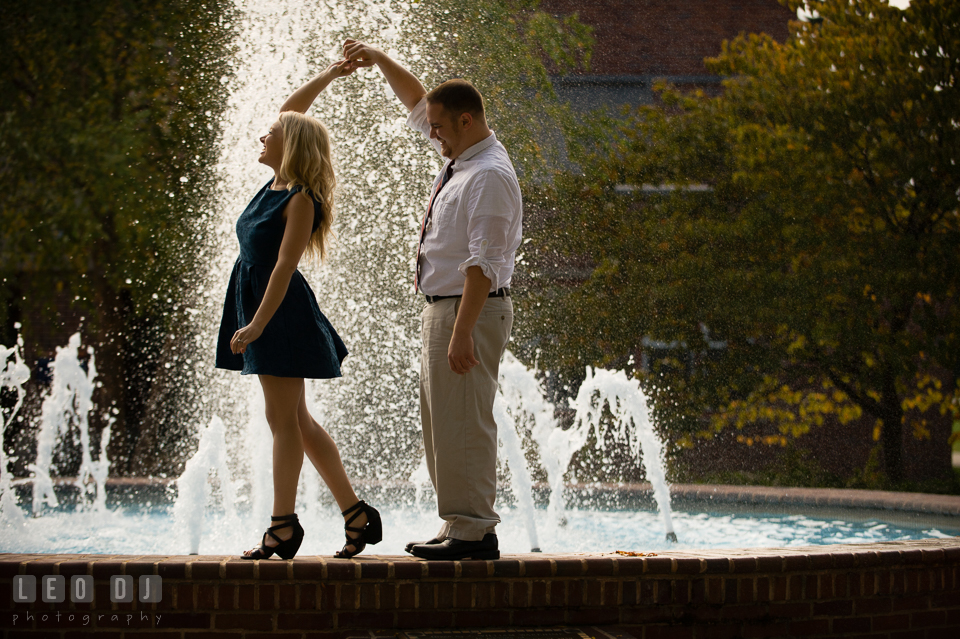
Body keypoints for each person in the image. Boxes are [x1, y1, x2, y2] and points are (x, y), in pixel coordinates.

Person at [342, 40, 523, 560]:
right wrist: (377, 58)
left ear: (466, 121)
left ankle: (474, 531)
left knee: (465, 418)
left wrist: (463, 330)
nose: (431, 133)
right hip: (445, 307)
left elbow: (483, 265)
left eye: (440, 127)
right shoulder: (465, 156)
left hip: (469, 308)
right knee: (446, 419)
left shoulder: (487, 175)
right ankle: (458, 523)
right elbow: (418, 101)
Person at [215, 59, 381, 561]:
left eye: (270, 136)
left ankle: (282, 526)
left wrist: (256, 325)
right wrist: (331, 74)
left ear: (290, 145)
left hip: (279, 312)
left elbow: (285, 268)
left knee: (283, 422)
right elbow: (292, 112)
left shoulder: (301, 199)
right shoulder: (275, 185)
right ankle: (356, 514)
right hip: (260, 305)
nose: (260, 139)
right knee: (297, 420)